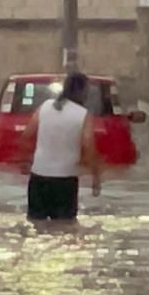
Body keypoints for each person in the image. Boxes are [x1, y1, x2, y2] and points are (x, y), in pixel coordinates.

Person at [22, 72, 102, 221]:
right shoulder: (83, 115)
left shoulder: (45, 106)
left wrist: (26, 161)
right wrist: (96, 177)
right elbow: (88, 146)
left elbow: (27, 135)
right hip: (65, 181)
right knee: (64, 228)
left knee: (36, 224)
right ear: (83, 91)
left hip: (38, 177)